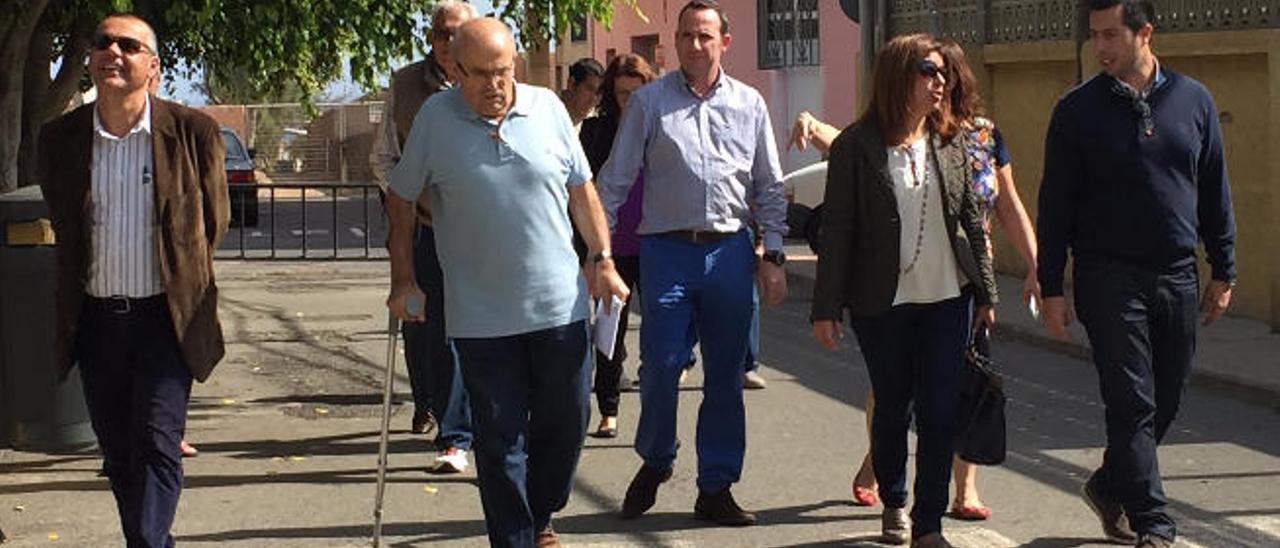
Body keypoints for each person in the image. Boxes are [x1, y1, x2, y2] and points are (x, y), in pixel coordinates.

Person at [385, 18, 629, 548]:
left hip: (559, 307)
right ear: (454, 68)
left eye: (503, 72)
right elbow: (400, 196)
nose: (495, 85)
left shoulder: (548, 111)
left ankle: (541, 513)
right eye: (480, 75)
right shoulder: (435, 119)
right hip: (480, 318)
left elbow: (582, 191)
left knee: (566, 425)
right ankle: (516, 537)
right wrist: (403, 276)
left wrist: (603, 258)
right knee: (499, 444)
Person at [814, 38, 1041, 521]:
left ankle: (928, 519)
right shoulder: (855, 146)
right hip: (882, 303)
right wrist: (827, 307)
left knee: (940, 411)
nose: (940, 82)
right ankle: (894, 500)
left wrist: (985, 292)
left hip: (947, 299)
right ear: (899, 76)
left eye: (942, 73)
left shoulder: (953, 141)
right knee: (894, 407)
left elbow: (970, 223)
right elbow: (838, 230)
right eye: (928, 72)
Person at [1038, 2, 1235, 546]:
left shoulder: (1192, 100)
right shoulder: (1076, 111)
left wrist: (1225, 267)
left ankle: (1108, 484)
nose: (1099, 47)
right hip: (1107, 276)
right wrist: (1052, 284)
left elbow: (1214, 189)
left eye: (1111, 36)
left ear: (1145, 33)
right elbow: (1055, 205)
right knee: (1132, 401)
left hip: (1177, 274)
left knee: (1167, 398)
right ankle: (1155, 523)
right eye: (1094, 36)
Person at [38, 13, 229, 547]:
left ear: (154, 67)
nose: (112, 52)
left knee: (156, 443)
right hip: (96, 320)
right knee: (119, 454)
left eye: (128, 44)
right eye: (103, 43)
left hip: (167, 320)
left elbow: (212, 221)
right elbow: (66, 223)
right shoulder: (59, 139)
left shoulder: (192, 132)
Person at [599, 0, 789, 527]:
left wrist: (772, 253)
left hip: (729, 252)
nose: (694, 45)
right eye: (686, 36)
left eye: (704, 36)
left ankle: (716, 486)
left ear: (724, 42)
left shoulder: (750, 104)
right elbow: (616, 178)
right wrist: (596, 250)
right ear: (675, 43)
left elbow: (768, 185)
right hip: (668, 251)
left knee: (726, 375)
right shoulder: (650, 103)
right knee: (660, 365)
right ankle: (657, 459)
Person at [370, 0, 477, 474]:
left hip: (483, 229)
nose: (449, 43)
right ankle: (432, 404)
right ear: (430, 39)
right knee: (429, 330)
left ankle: (457, 436)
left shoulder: (492, 75)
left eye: (459, 33)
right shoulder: (406, 84)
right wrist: (403, 199)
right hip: (427, 226)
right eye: (441, 34)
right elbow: (383, 157)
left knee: (466, 330)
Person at [579, 53, 657, 439]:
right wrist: (589, 253)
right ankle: (608, 408)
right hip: (611, 247)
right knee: (610, 328)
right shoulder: (596, 133)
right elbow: (582, 193)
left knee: (661, 332)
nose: (631, 101)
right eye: (623, 94)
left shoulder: (660, 127)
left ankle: (657, 412)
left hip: (657, 243)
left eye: (638, 93)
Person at [561, 57, 604, 132]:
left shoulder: (599, 123)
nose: (594, 99)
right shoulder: (549, 112)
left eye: (598, 92)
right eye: (589, 89)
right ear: (571, 84)